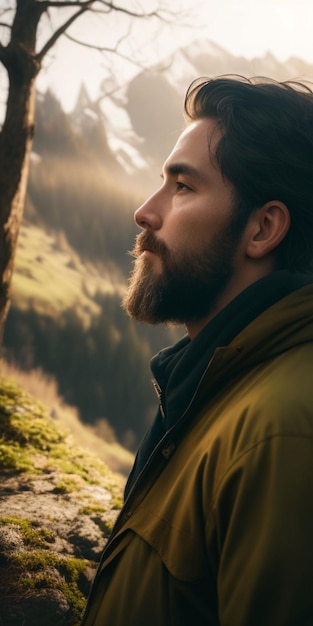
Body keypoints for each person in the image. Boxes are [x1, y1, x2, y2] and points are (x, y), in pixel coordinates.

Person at [81, 75, 313, 626]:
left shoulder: (280, 433)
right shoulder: (217, 384)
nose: (145, 211)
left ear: (262, 228)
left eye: (182, 186)